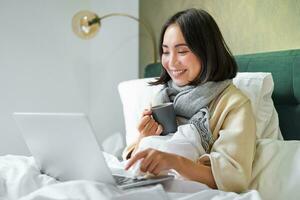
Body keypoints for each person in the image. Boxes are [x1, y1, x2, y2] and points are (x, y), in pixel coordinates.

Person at [123, 8, 256, 193]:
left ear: (207, 51)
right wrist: (143, 138)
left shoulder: (233, 104)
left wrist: (174, 162)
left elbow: (234, 177)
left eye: (182, 51)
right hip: (150, 186)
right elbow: (131, 156)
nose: (171, 62)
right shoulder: (162, 97)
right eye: (165, 52)